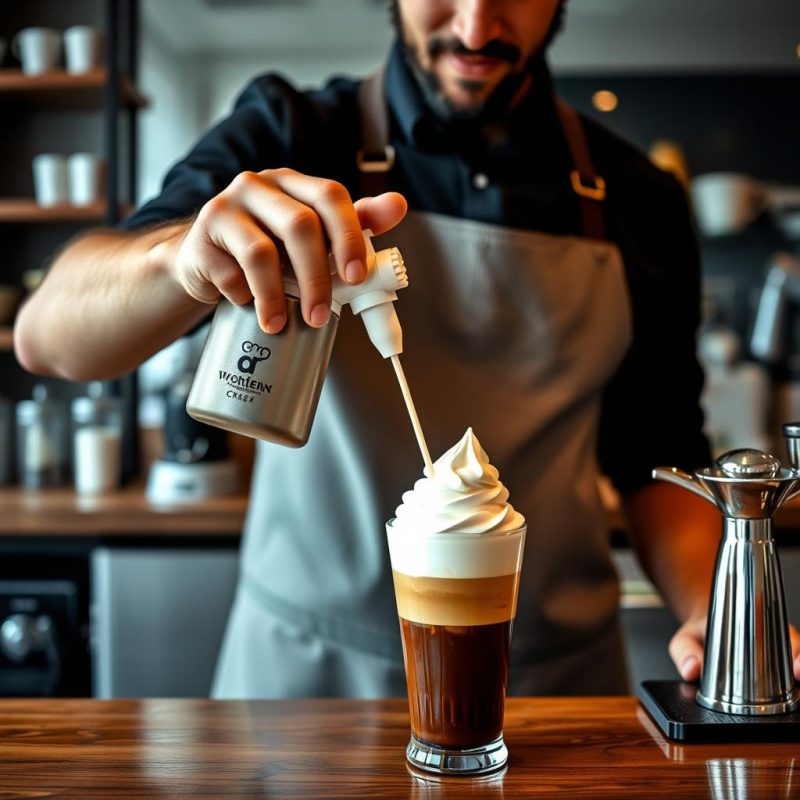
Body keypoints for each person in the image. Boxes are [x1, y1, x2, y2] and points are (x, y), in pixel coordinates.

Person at [15, 0, 800, 697]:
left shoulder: (636, 200)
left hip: (547, 690)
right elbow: (47, 337)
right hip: (305, 686)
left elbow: (655, 457)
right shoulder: (292, 132)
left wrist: (718, 611)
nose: (475, 25)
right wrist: (179, 261)